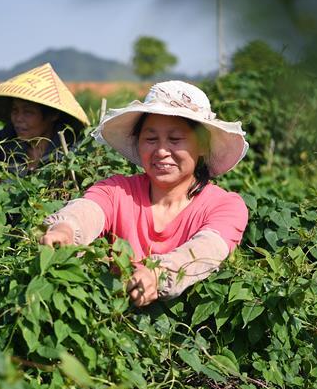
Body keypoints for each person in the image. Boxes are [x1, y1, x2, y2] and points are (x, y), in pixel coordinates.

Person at [39, 81, 249, 307]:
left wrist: (158, 274)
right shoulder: (117, 191)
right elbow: (88, 210)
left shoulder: (225, 206)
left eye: (175, 139)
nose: (161, 151)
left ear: (203, 145)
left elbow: (207, 249)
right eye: (151, 139)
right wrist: (65, 230)